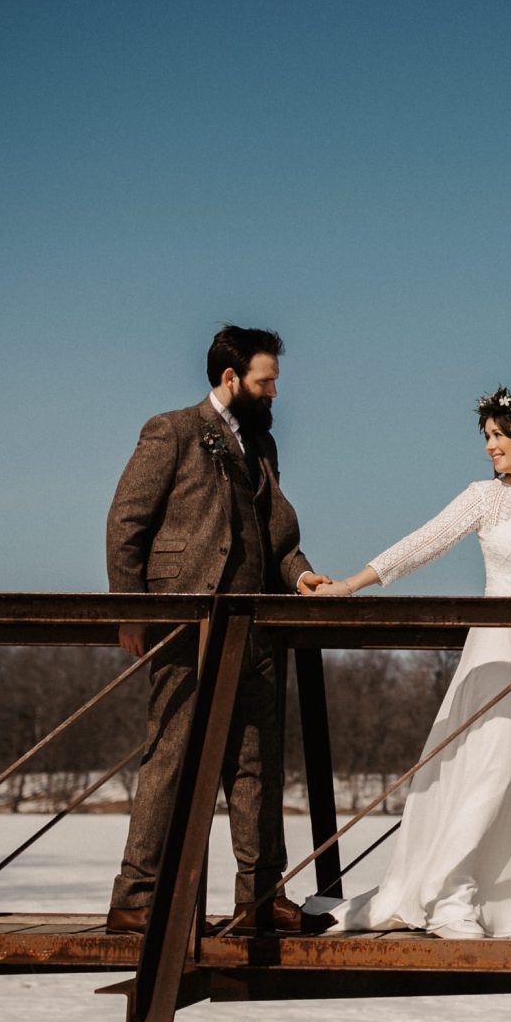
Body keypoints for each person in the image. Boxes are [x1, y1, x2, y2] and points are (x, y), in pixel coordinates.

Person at [308, 388, 511, 939]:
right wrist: (349, 584)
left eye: (498, 435)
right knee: (494, 759)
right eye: (485, 437)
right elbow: (424, 542)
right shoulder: (484, 497)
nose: (490, 447)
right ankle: (451, 894)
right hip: (498, 649)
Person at [103, 324, 335, 936]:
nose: (274, 393)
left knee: (257, 765)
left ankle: (260, 899)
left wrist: (301, 575)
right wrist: (133, 611)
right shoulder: (171, 431)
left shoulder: (262, 447)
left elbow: (276, 534)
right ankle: (138, 898)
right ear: (231, 378)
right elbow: (127, 521)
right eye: (266, 382)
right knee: (171, 757)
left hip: (254, 628)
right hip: (186, 625)